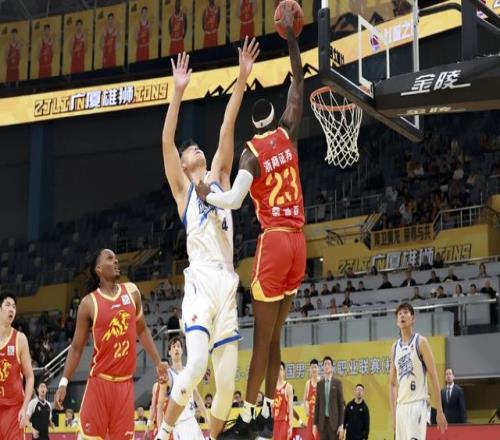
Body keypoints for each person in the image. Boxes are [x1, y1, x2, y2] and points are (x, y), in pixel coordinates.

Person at [197, 5, 305, 438]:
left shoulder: (251, 153)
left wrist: (207, 194)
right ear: (274, 117)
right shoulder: (288, 132)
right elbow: (298, 83)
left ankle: (247, 416)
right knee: (277, 334)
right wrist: (292, 39)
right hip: (300, 242)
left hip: (275, 241)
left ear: (252, 124)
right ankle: (269, 409)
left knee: (261, 337)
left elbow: (236, 199)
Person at [156, 39, 259, 440]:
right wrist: (177, 91)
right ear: (184, 165)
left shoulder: (220, 176)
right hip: (200, 281)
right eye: (191, 151)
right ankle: (164, 433)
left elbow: (227, 126)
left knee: (227, 388)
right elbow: (166, 142)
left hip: (227, 282)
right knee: (196, 365)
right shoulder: (183, 191)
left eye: (197, 147)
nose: (196, 149)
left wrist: (242, 77)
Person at [54, 249, 167, 439]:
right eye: (110, 258)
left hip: (125, 386)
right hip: (99, 383)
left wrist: (158, 362)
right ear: (98, 269)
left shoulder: (132, 292)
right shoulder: (89, 303)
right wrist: (64, 382)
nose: (116, 261)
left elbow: (142, 330)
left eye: (116, 258)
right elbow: (76, 348)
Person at [389, 302, 447, 439]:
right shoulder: (395, 347)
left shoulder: (421, 342)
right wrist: (394, 414)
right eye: (399, 314)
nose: (402, 315)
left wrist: (439, 410)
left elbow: (433, 376)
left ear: (413, 318)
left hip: (417, 405)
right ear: (397, 321)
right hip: (401, 408)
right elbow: (392, 383)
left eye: (405, 312)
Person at [156, 337, 208, 439]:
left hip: (193, 421)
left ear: (182, 350)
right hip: (179, 424)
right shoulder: (167, 375)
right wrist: (160, 431)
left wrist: (206, 416)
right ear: (169, 352)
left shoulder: (188, 372)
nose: (176, 348)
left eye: (178, 346)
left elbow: (197, 397)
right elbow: (160, 404)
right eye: (173, 347)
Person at [0, 293, 34, 440]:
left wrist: (24, 407)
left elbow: (30, 377)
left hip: (13, 410)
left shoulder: (20, 339)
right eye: (7, 305)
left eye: (14, 307)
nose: (11, 309)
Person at [314, 356, 344, 440]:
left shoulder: (337, 383)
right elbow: (317, 405)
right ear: (323, 367)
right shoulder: (319, 384)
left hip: (334, 423)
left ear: (332, 367)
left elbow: (341, 405)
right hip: (322, 423)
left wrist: (341, 425)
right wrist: (315, 424)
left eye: (329, 364)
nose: (327, 366)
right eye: (325, 364)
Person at [274, 362, 294, 440]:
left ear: (284, 372)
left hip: (284, 421)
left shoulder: (288, 387)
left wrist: (291, 426)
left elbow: (291, 408)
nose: (279, 371)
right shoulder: (271, 387)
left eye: (281, 369)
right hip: (274, 422)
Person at [303, 359, 319, 440]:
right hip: (310, 418)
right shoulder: (307, 383)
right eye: (312, 367)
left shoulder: (322, 382)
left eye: (315, 367)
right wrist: (306, 406)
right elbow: (305, 399)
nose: (314, 369)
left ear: (318, 368)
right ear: (310, 369)